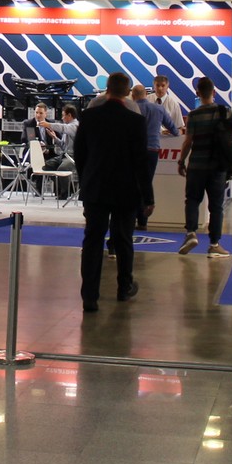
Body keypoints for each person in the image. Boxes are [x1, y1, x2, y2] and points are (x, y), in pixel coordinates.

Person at [74, 72, 153, 312]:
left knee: (93, 240)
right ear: (127, 93)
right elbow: (141, 162)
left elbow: (79, 153)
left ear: (106, 89)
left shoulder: (89, 117)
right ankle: (124, 287)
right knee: (123, 239)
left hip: (95, 188)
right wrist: (147, 197)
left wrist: (86, 180)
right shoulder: (136, 121)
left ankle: (90, 296)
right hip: (126, 190)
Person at [176, 77, 232, 257]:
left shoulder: (193, 115)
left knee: (192, 200)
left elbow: (188, 142)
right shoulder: (225, 112)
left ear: (197, 93)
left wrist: (181, 161)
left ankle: (191, 233)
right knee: (216, 206)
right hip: (218, 166)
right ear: (214, 92)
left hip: (196, 166)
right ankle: (214, 245)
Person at [131, 83, 180, 230]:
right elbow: (174, 129)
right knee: (146, 182)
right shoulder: (158, 109)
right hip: (152, 150)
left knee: (133, 183)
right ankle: (143, 221)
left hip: (134, 151)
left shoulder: (131, 109)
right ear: (146, 95)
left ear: (133, 96)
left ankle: (131, 218)